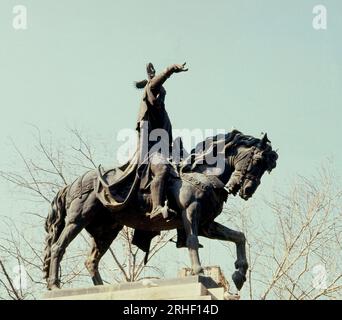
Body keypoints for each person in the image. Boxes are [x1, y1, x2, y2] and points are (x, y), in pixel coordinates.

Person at [135, 62, 188, 219]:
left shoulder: (164, 117)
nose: (160, 97)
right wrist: (169, 70)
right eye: (157, 93)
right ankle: (156, 208)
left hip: (165, 153)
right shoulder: (150, 104)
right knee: (162, 169)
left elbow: (170, 144)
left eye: (162, 95)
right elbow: (153, 85)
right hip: (150, 152)